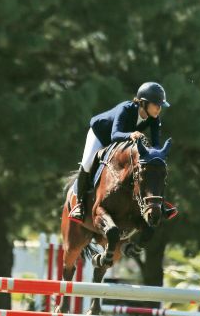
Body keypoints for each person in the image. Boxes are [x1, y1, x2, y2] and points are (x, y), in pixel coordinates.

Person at [69, 82, 169, 222]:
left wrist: (157, 157)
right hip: (100, 134)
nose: (159, 109)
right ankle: (78, 203)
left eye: (160, 106)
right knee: (87, 162)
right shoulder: (126, 108)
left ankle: (159, 203)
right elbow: (114, 135)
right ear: (144, 103)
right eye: (156, 104)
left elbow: (156, 144)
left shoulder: (154, 119)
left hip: (119, 143)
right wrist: (130, 135)